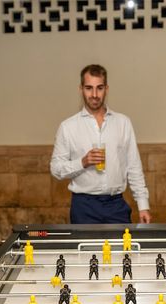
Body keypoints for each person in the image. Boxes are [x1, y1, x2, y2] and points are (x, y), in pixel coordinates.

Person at [50, 64, 151, 224]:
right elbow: (55, 169)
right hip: (83, 207)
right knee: (85, 250)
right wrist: (82, 162)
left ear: (107, 89)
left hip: (116, 205)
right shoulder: (68, 127)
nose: (95, 94)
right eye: (89, 88)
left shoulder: (123, 123)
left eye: (100, 88)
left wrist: (143, 205)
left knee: (122, 249)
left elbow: (133, 166)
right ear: (81, 89)